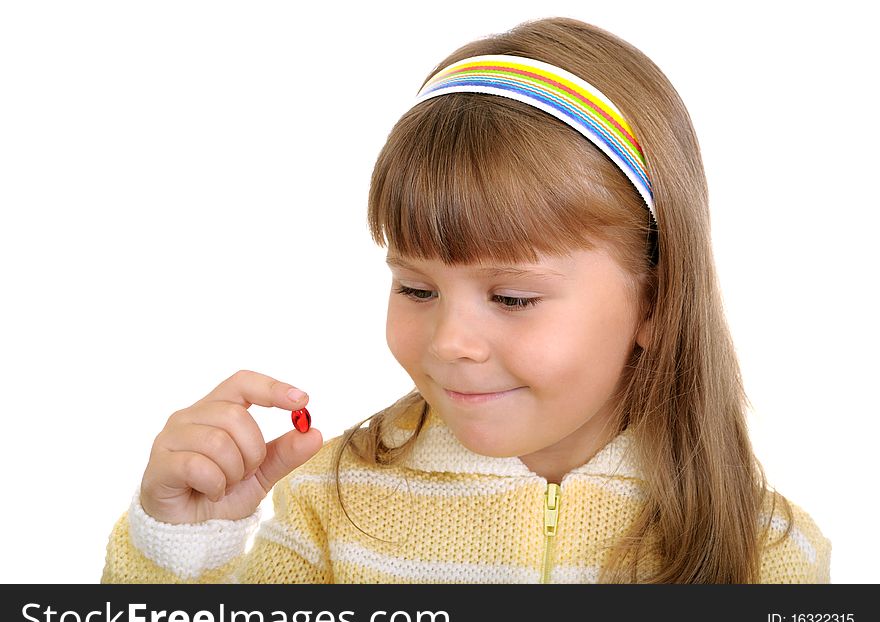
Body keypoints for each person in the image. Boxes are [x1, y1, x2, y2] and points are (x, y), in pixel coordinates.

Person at [101, 16, 831, 584]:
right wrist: (179, 548)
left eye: (512, 298)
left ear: (657, 301)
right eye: (416, 287)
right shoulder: (331, 509)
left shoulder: (767, 555)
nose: (450, 340)